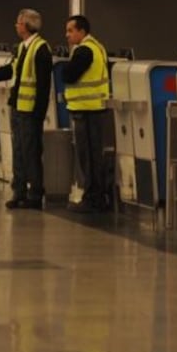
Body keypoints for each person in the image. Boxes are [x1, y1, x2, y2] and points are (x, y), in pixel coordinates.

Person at [0, 9, 52, 210]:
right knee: (18, 151)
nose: (16, 26)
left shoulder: (41, 49)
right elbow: (12, 69)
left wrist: (39, 113)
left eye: (18, 23)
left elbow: (44, 86)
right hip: (17, 107)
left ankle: (35, 194)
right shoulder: (21, 48)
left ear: (27, 26)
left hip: (30, 111)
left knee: (31, 152)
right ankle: (18, 191)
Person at [62, 14, 111, 213]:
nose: (67, 35)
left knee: (87, 156)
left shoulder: (84, 51)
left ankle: (92, 198)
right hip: (94, 109)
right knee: (94, 155)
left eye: (70, 31)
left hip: (86, 110)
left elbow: (68, 75)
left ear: (82, 31)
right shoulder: (98, 47)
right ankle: (96, 196)